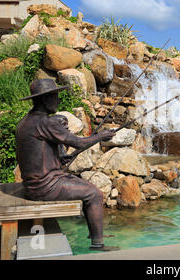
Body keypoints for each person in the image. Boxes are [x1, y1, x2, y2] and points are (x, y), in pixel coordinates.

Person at [16, 79, 116, 251]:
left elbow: (39, 152)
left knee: (87, 187)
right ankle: (97, 245)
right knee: (95, 194)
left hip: (36, 183)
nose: (58, 100)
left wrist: (59, 157)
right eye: (55, 96)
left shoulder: (27, 121)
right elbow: (78, 142)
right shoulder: (44, 122)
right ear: (45, 99)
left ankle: (94, 231)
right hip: (44, 187)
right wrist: (102, 136)